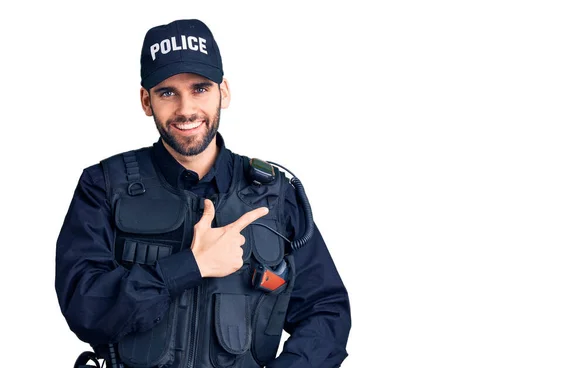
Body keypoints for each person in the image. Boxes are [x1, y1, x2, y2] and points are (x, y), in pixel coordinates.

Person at [55, 18, 351, 368]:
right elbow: (84, 307)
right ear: (145, 100)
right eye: (167, 92)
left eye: (200, 88)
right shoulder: (104, 185)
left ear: (223, 92)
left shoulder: (275, 195)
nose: (186, 109)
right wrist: (190, 267)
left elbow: (325, 311)